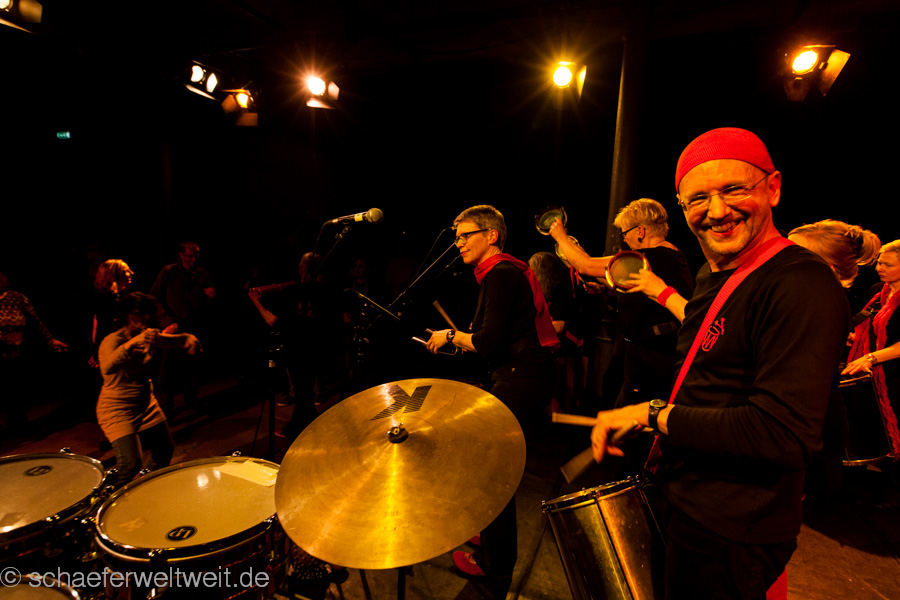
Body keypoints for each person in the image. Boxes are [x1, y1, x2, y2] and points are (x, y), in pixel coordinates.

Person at [586, 127, 850, 599]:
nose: (717, 210)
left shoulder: (800, 283)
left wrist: (652, 415)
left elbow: (781, 434)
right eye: (698, 199)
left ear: (773, 187)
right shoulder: (716, 275)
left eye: (733, 189)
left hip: (732, 527)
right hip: (688, 505)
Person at [426, 205, 558, 579]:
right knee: (492, 461)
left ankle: (495, 563)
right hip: (526, 375)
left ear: (491, 235)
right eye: (457, 237)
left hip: (521, 378)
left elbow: (487, 342)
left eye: (465, 236)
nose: (458, 243)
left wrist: (450, 336)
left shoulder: (499, 274)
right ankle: (490, 534)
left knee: (492, 468)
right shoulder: (503, 272)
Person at [550, 198, 694, 409]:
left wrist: (560, 236)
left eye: (625, 233)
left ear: (640, 231)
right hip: (654, 353)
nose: (624, 239)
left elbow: (585, 265)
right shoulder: (670, 256)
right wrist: (605, 289)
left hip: (653, 357)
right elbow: (637, 291)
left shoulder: (650, 257)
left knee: (626, 414)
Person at [97, 292, 201, 488]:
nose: (144, 318)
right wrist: (131, 344)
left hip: (146, 404)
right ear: (126, 314)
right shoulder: (113, 340)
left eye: (146, 313)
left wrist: (188, 338)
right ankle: (105, 498)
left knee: (164, 450)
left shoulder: (144, 335)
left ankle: (143, 489)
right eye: (138, 313)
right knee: (130, 464)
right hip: (118, 409)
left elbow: (174, 340)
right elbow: (107, 367)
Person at [842, 240, 900, 506]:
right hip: (877, 370)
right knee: (878, 428)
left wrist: (870, 357)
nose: (879, 268)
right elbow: (874, 329)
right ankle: (881, 484)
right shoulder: (880, 291)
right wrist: (854, 338)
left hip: (894, 372)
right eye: (879, 262)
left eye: (887, 264)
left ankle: (894, 493)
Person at [0, 271, 69, 435]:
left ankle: (18, 426)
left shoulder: (17, 298)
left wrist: (50, 340)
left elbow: (35, 321)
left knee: (16, 390)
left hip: (15, 353)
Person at [150, 241, 215, 409]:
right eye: (189, 256)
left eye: (196, 256)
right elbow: (154, 299)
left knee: (193, 366)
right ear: (180, 255)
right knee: (169, 366)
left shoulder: (202, 275)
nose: (193, 260)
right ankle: (166, 402)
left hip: (194, 326)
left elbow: (205, 303)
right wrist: (167, 321)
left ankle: (191, 399)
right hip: (173, 326)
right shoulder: (168, 272)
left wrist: (210, 298)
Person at [528, 251, 586, 414]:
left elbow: (560, 326)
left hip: (565, 347)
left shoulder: (561, 291)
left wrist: (529, 331)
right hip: (552, 346)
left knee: (557, 392)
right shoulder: (544, 292)